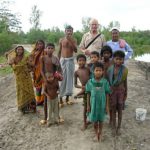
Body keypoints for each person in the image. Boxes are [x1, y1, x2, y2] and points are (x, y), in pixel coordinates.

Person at [86, 62, 110, 141]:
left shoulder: (105, 82)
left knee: (101, 120)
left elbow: (107, 94)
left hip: (102, 104)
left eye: (100, 70)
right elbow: (88, 93)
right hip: (93, 104)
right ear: (93, 71)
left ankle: (101, 133)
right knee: (95, 121)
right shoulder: (90, 82)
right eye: (96, 70)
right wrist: (88, 106)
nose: (98, 72)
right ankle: (96, 134)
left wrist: (107, 106)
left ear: (103, 71)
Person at [40, 43, 63, 125]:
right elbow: (41, 70)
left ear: (54, 50)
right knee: (46, 99)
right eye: (48, 48)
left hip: (54, 79)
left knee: (55, 97)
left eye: (51, 48)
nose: (50, 49)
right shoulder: (43, 58)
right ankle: (46, 117)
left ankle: (57, 117)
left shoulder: (55, 58)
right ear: (45, 49)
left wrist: (58, 77)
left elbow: (59, 69)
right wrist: (44, 79)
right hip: (46, 79)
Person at [8, 46, 36, 113]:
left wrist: (29, 67)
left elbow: (32, 65)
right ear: (16, 50)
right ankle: (23, 109)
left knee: (30, 92)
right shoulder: (14, 58)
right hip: (19, 78)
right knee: (21, 93)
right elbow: (10, 63)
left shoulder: (26, 57)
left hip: (27, 78)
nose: (19, 51)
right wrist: (9, 55)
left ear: (23, 51)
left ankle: (32, 108)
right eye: (18, 49)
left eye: (21, 49)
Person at [107, 50, 128, 136]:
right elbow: (109, 82)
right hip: (112, 92)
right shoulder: (110, 69)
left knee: (119, 109)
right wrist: (108, 92)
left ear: (123, 60)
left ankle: (118, 127)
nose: (119, 61)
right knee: (112, 109)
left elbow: (125, 82)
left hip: (121, 92)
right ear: (114, 59)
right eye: (117, 59)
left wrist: (126, 92)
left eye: (121, 59)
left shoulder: (125, 70)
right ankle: (113, 127)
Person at [58, 25, 77, 107]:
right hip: (63, 60)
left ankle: (67, 98)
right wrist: (57, 62)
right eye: (67, 30)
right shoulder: (61, 40)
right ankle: (60, 99)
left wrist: (71, 41)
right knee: (62, 79)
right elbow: (59, 50)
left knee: (70, 79)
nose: (69, 32)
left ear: (72, 32)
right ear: (65, 31)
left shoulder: (74, 40)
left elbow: (75, 50)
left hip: (70, 61)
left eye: (70, 30)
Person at [74, 54, 90, 130]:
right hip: (84, 89)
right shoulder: (76, 72)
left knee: (91, 105)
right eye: (80, 60)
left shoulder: (88, 69)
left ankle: (90, 120)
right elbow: (75, 85)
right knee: (85, 107)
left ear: (85, 61)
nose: (81, 62)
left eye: (83, 60)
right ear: (77, 62)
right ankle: (84, 123)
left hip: (91, 89)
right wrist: (81, 87)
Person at [29, 40, 45, 105]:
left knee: (43, 86)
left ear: (43, 45)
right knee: (38, 87)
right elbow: (30, 61)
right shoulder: (34, 52)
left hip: (43, 71)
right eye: (38, 44)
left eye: (41, 44)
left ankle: (42, 100)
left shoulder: (45, 52)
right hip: (35, 71)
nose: (39, 45)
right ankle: (38, 100)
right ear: (36, 45)